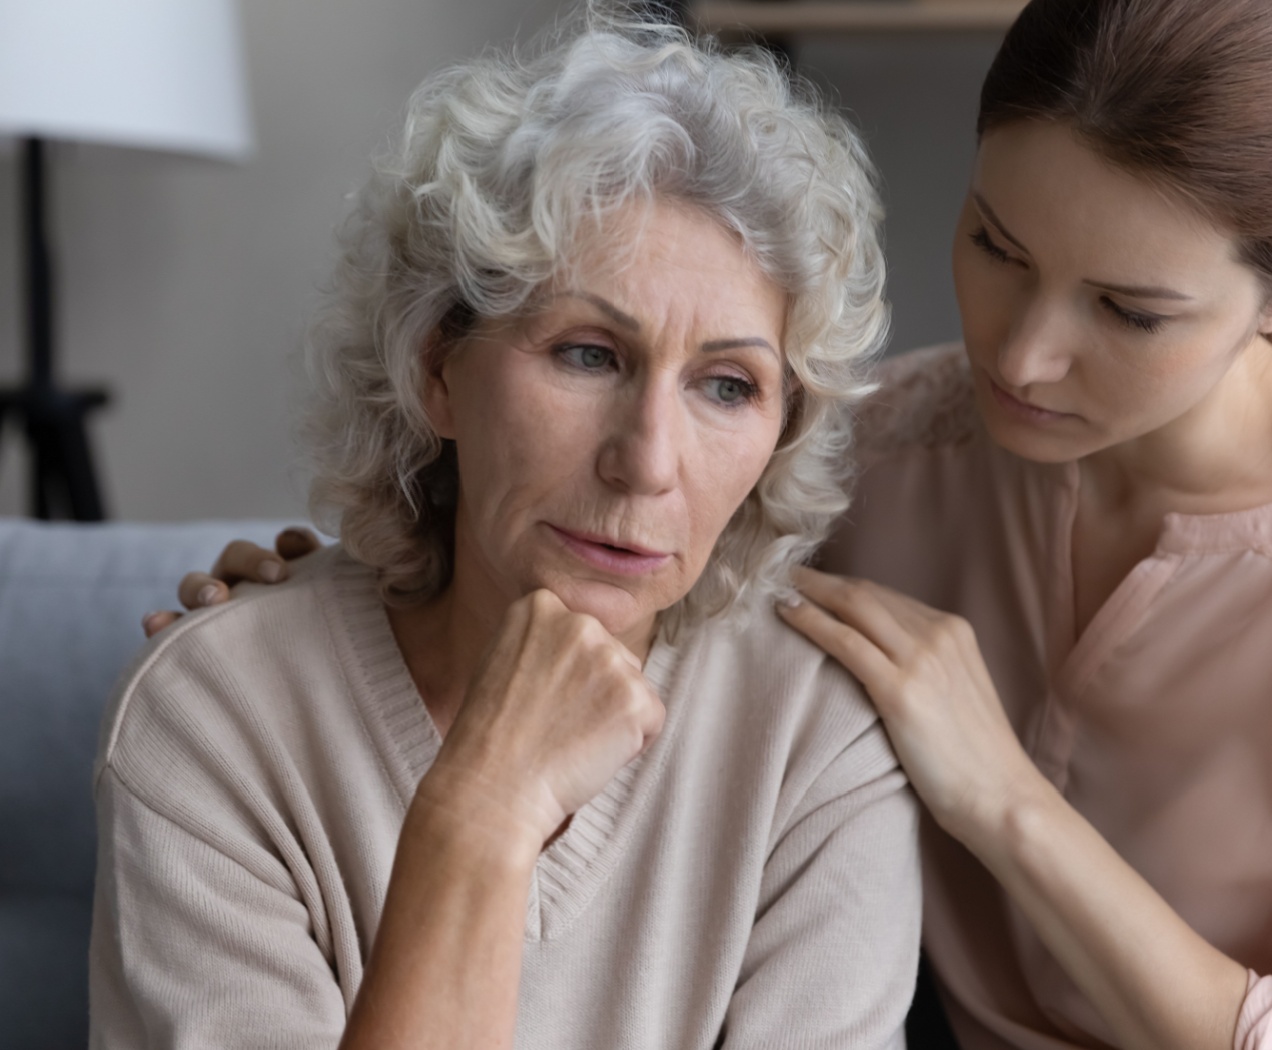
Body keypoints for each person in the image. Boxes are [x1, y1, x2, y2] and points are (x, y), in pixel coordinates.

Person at [177, 0, 1272, 1047]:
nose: (1023, 356)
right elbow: (573, 507)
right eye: (996, 245)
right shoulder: (870, 446)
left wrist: (1007, 805)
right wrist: (323, 610)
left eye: (1129, 312)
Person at [91, 13, 922, 1050]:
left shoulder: (814, 740)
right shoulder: (218, 717)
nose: (648, 461)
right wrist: (483, 812)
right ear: (437, 368)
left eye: (726, 385)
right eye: (587, 354)